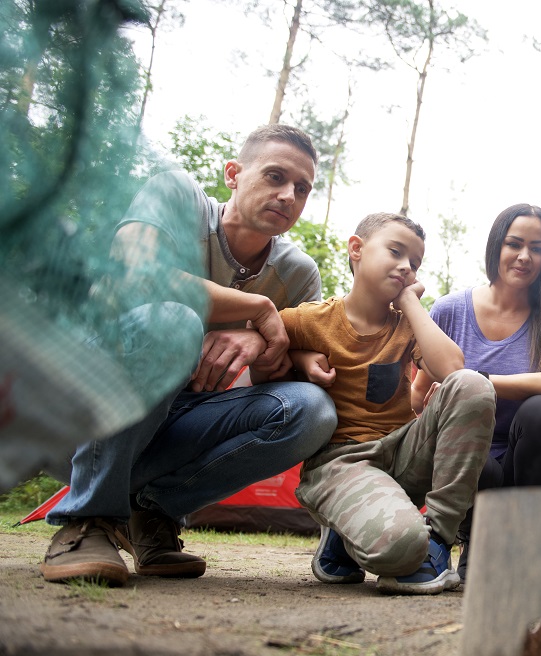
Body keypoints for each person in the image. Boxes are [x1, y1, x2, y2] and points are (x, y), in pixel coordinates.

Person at [40, 125, 339, 586]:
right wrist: (257, 309)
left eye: (302, 188)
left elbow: (276, 376)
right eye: (275, 177)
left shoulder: (298, 274)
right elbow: (135, 278)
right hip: (79, 410)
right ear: (233, 175)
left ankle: (152, 513)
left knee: (311, 410)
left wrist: (261, 342)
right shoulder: (175, 194)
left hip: (176, 425)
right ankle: (87, 520)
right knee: (173, 321)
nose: (288, 195)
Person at [279, 212, 496, 595]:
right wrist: (297, 358)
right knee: (400, 548)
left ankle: (438, 542)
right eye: (395, 252)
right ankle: (352, 530)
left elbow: (452, 369)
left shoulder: (407, 325)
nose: (406, 267)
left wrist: (410, 304)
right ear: (357, 249)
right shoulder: (311, 320)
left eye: (414, 263)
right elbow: (260, 347)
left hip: (401, 455)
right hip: (340, 462)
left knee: (473, 386)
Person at [411, 203, 541, 582]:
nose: (525, 256)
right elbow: (417, 397)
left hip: (525, 464)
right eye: (515, 244)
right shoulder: (449, 311)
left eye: (537, 248)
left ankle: (525, 546)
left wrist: (474, 381)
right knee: (473, 450)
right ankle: (472, 533)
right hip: (468, 461)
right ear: (496, 247)